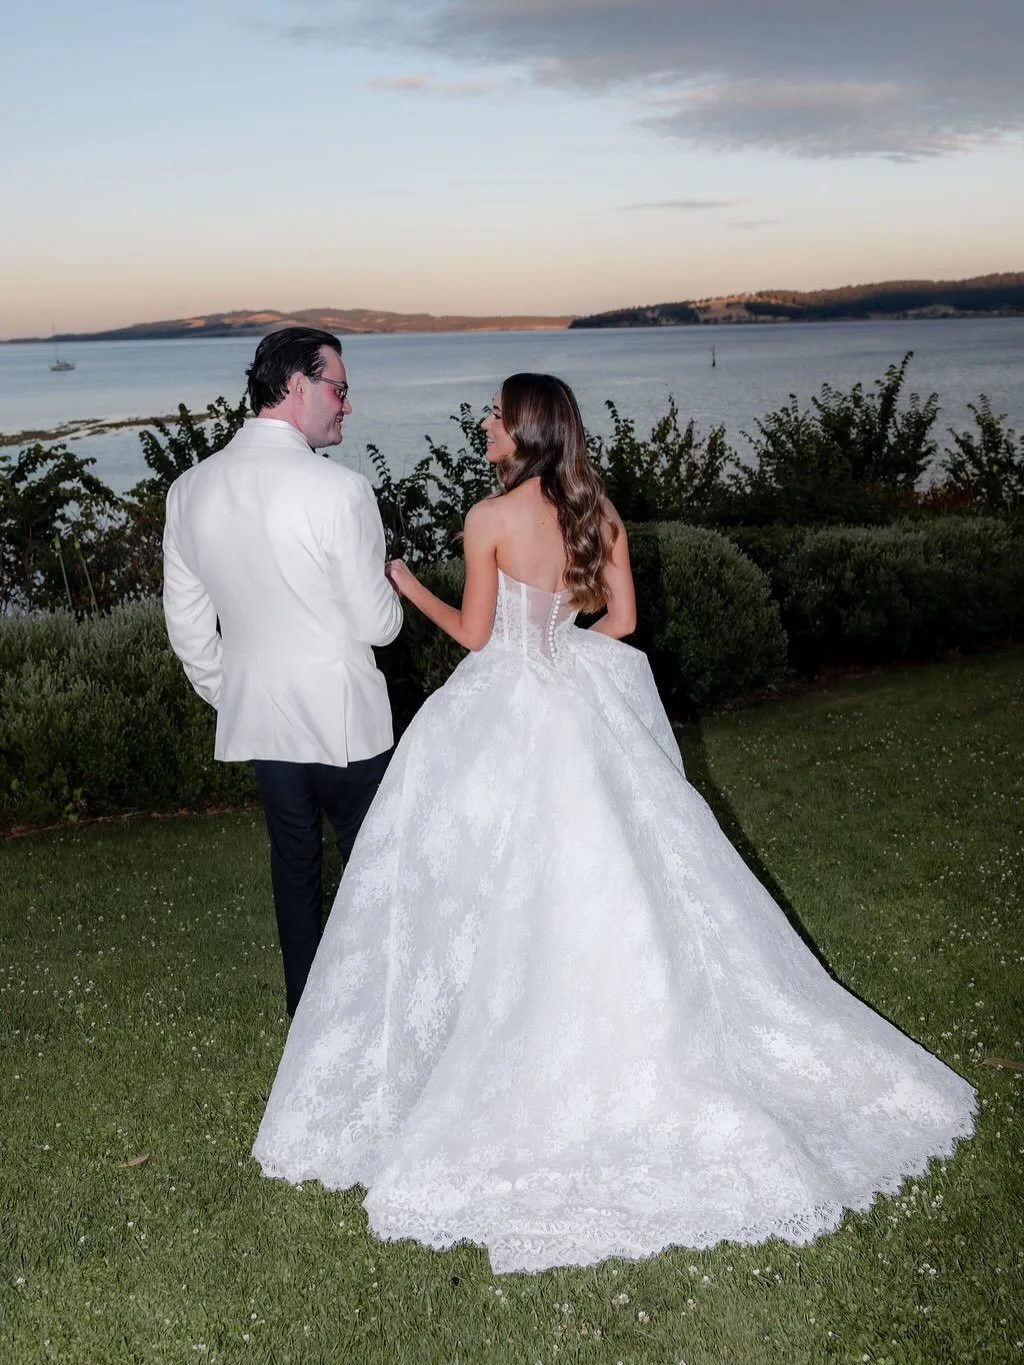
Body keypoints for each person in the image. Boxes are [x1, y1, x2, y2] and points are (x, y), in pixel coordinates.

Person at [252, 372, 975, 1274]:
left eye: (494, 415)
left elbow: (475, 636)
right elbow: (622, 620)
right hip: (574, 699)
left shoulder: (489, 518)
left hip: (500, 709)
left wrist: (406, 584)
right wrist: (563, 660)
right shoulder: (597, 510)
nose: (484, 424)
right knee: (610, 870)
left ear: (523, 430)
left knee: (479, 875)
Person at [163, 327, 403, 1017]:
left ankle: (310, 1020)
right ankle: (382, 1013)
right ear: (299, 386)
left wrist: (238, 691)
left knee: (294, 870)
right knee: (377, 871)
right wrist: (392, 589)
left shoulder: (189, 490)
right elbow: (378, 625)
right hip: (346, 719)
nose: (347, 405)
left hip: (263, 723)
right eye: (340, 389)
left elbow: (189, 629)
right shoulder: (342, 491)